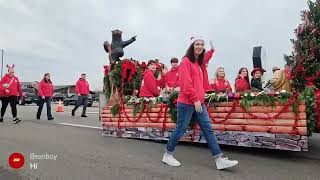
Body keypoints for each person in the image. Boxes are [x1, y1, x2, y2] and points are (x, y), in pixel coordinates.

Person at [161, 37, 238, 170]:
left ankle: (219, 159)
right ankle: (167, 155)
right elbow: (186, 83)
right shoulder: (186, 61)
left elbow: (204, 62)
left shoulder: (197, 64)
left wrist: (212, 51)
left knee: (208, 129)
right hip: (187, 102)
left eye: (202, 44)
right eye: (197, 44)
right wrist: (195, 99)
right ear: (192, 46)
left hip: (199, 103)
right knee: (181, 128)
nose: (200, 46)